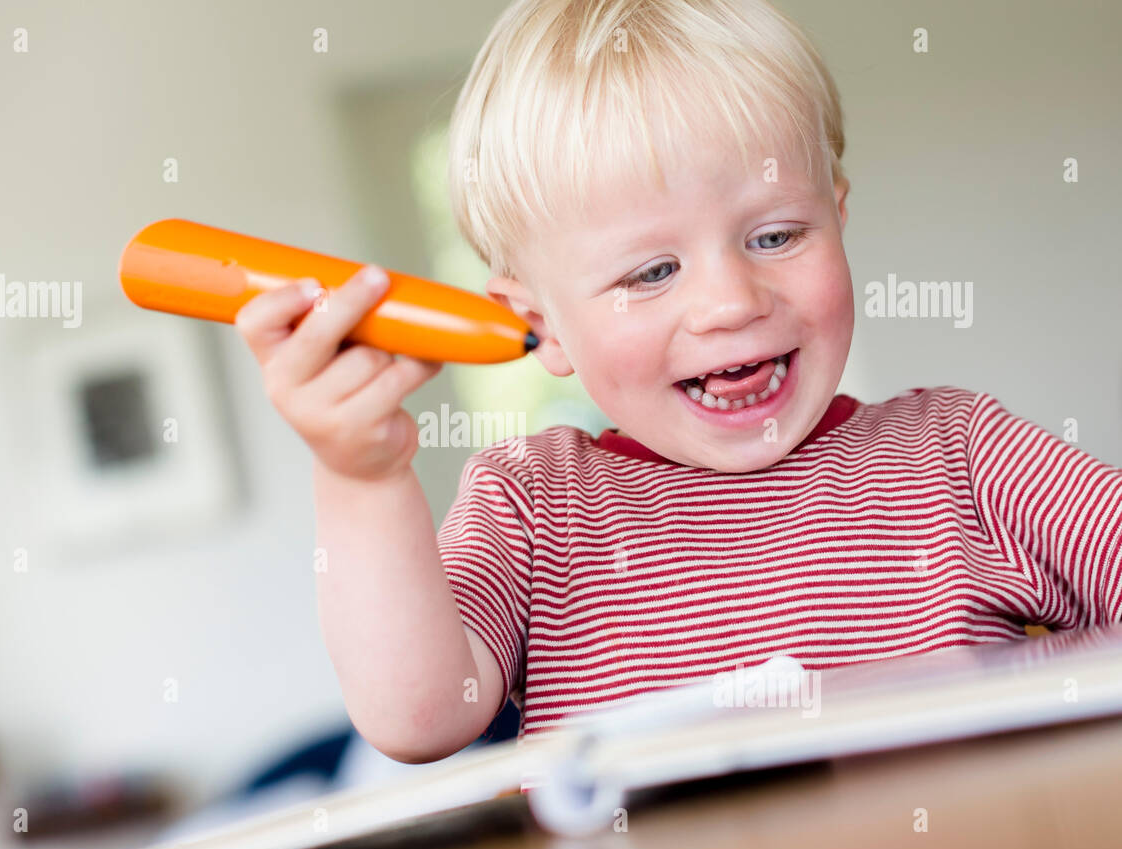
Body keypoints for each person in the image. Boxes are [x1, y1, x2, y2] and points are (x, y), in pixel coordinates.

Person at [234, 0, 1121, 768]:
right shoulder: (535, 506)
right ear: (536, 322)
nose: (731, 302)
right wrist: (360, 480)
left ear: (838, 216)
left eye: (775, 236)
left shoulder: (963, 455)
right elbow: (418, 718)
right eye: (651, 272)